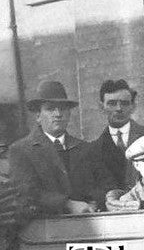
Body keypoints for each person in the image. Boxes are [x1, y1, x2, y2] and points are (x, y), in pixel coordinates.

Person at [9, 80, 108, 215]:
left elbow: (105, 184)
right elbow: (26, 192)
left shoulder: (85, 148)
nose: (58, 114)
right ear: (38, 116)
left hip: (88, 224)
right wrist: (67, 204)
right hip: (46, 228)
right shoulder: (21, 150)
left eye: (63, 108)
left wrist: (95, 201)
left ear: (69, 114)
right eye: (50, 109)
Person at [91, 79, 144, 192]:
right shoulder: (94, 149)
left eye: (124, 103)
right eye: (112, 103)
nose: (119, 109)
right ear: (102, 107)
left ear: (133, 106)